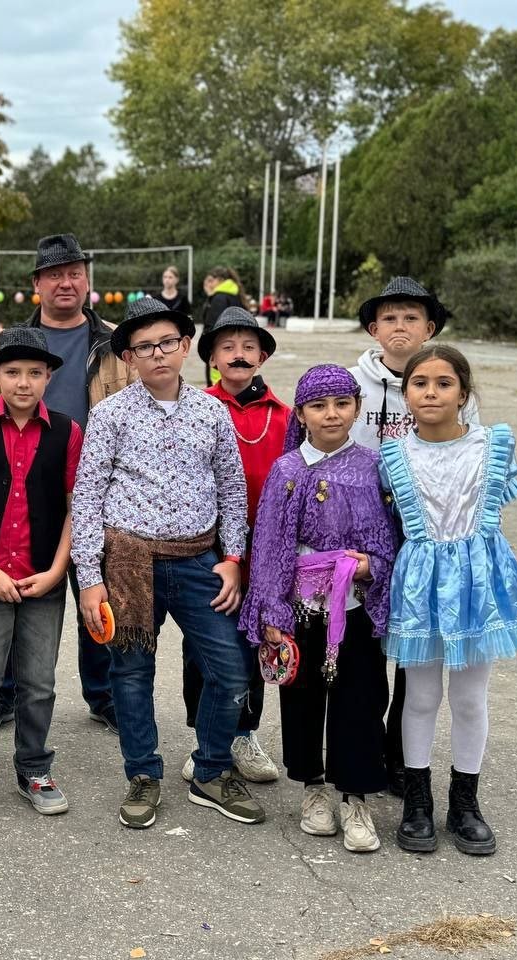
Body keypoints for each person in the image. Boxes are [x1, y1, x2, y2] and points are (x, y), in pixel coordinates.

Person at [72, 296, 262, 829]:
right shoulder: (110, 415)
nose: (157, 354)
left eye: (167, 343)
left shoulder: (213, 411)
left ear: (185, 347)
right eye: (143, 347)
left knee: (230, 670)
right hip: (130, 563)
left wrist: (233, 560)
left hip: (200, 560)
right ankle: (143, 774)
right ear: (129, 358)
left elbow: (230, 489)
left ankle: (210, 769)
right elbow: (86, 496)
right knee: (131, 674)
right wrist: (89, 579)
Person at [0, 234, 136, 735]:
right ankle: (5, 694)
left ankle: (102, 693)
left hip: (95, 492)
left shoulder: (112, 345)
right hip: (21, 490)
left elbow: (133, 416)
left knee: (97, 591)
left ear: (86, 280)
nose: (67, 282)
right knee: (14, 589)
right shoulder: (8, 346)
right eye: (55, 274)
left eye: (75, 272)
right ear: (37, 284)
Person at [379, 345, 517, 857]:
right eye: (419, 382)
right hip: (421, 584)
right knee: (420, 696)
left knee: (470, 698)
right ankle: (417, 802)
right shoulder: (394, 457)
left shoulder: (493, 446)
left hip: (480, 585)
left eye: (444, 382)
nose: (431, 391)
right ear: (405, 395)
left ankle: (465, 802)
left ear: (463, 393)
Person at [239, 365, 398, 853]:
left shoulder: (373, 467)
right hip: (300, 608)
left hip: (351, 608)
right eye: (318, 406)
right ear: (302, 414)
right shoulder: (287, 471)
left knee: (361, 700)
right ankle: (313, 790)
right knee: (303, 698)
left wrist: (372, 565)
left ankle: (355, 796)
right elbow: (267, 546)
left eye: (341, 404)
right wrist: (270, 611)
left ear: (355, 406)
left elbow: (389, 538)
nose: (331, 415)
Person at [349, 277, 479, 796]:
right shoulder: (352, 384)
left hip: (430, 540)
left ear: (430, 328)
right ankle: (361, 752)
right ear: (373, 327)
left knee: (415, 658)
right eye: (391, 317)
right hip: (368, 536)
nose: (401, 326)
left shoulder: (448, 384)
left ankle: (405, 762)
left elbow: (471, 467)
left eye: (412, 318)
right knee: (364, 651)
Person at [0, 328, 82, 822]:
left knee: (39, 682)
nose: (22, 383)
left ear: (48, 376)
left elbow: (77, 510)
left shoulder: (68, 432)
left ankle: (34, 767)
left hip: (42, 581)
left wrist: (56, 571)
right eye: (11, 373)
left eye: (33, 373)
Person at [180, 306, 289, 785]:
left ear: (262, 355)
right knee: (203, 642)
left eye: (248, 347)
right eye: (227, 348)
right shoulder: (197, 408)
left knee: (253, 640)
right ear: (212, 359)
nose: (238, 355)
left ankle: (244, 732)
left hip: (264, 546)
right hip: (207, 543)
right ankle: (205, 738)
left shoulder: (286, 417)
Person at [200, 266, 246, 387]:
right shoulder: (235, 295)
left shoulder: (219, 298)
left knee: (218, 391)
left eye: (211, 280)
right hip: (237, 349)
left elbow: (211, 327)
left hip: (221, 350)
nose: (209, 284)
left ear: (220, 280)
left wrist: (206, 351)